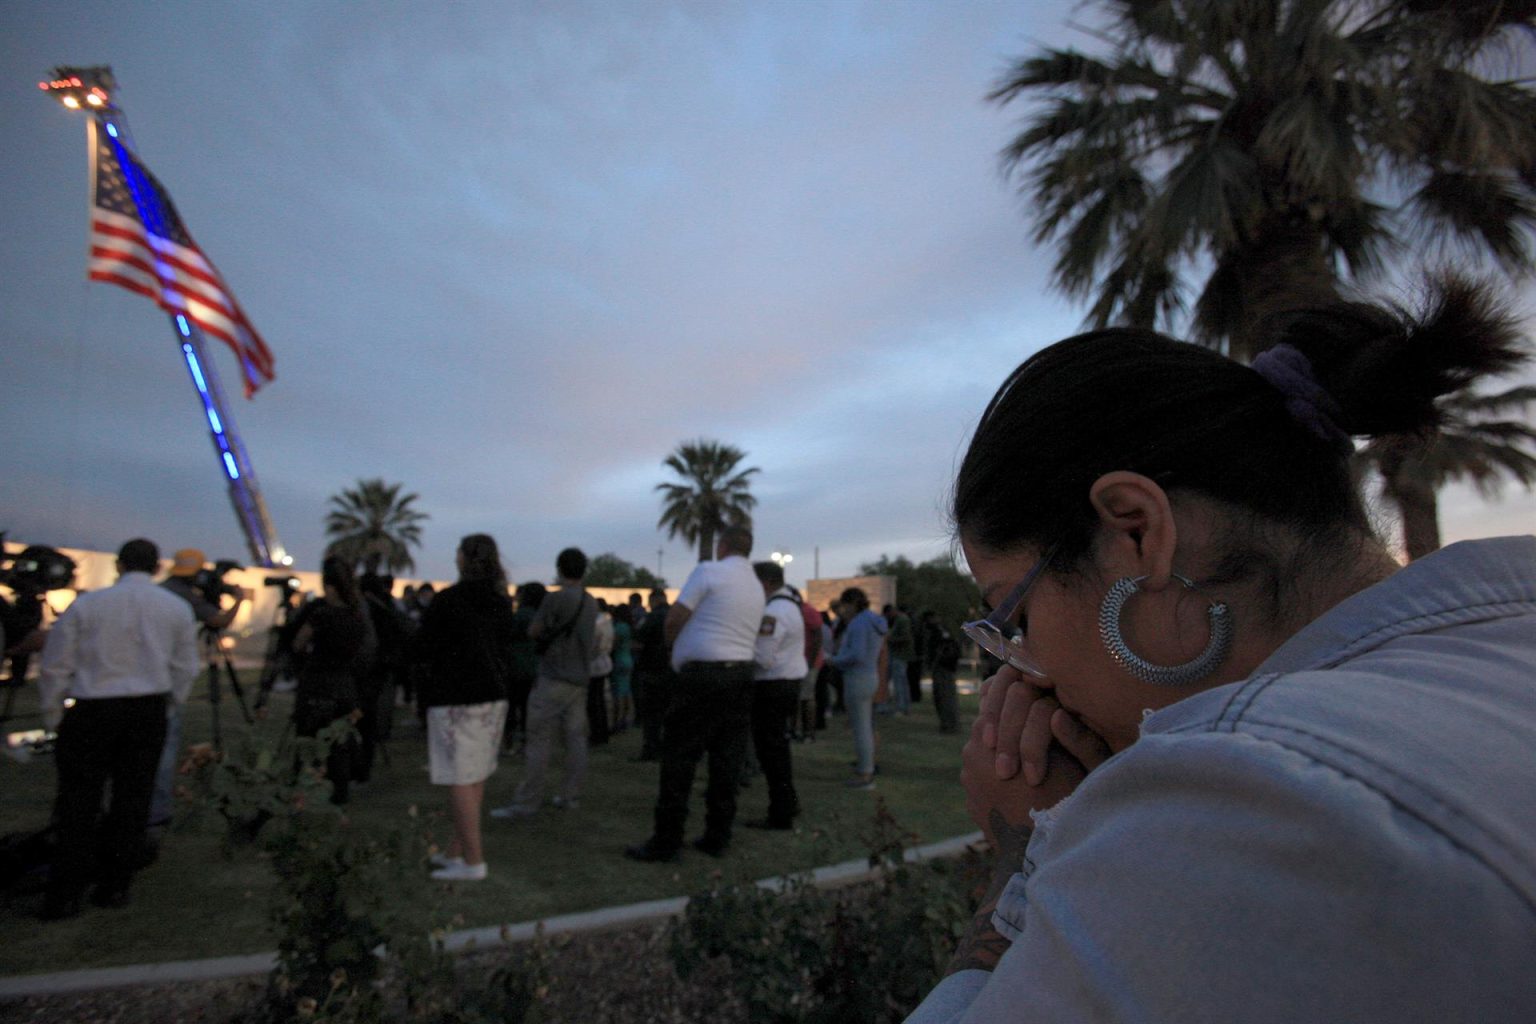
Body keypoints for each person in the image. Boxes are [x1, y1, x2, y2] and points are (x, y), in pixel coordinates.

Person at [907, 291, 1536, 1022]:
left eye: (1015, 614)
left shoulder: (1241, 801)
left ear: (1137, 534)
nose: (1024, 670)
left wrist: (1026, 856)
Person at [38, 539, 197, 918]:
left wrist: (53, 715)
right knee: (133, 799)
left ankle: (65, 892)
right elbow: (185, 666)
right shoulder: (175, 608)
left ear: (119, 565)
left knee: (78, 800)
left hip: (93, 709)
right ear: (157, 568)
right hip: (146, 710)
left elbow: (56, 663)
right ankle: (115, 885)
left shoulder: (89, 604)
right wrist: (170, 703)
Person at [626, 525, 765, 861]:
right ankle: (718, 834)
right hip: (741, 674)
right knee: (726, 758)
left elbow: (675, 617)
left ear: (723, 545)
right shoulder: (756, 585)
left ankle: (667, 839)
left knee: (679, 756)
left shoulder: (709, 571)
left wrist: (676, 646)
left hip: (702, 675)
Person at [417, 535, 514, 881]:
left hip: (457, 696)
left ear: (463, 558)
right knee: (475, 774)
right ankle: (457, 851)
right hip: (493, 694)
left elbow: (424, 645)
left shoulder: (449, 601)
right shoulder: (501, 603)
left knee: (459, 776)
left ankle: (473, 861)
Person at [150, 549, 251, 832]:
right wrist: (239, 600)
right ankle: (158, 811)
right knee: (164, 745)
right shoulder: (185, 597)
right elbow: (219, 622)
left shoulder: (164, 590)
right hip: (166, 681)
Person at [493, 548, 596, 819]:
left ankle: (527, 801)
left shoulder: (555, 599)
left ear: (560, 569)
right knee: (575, 739)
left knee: (539, 738)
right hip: (579, 678)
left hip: (553, 676)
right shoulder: (591, 602)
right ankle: (569, 794)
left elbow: (534, 631)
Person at [287, 557, 373, 805]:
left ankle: (303, 792)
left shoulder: (323, 615)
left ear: (331, 588)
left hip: (317, 683)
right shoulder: (357, 617)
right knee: (339, 744)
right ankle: (339, 795)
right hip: (344, 685)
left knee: (307, 742)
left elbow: (297, 643)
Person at [743, 560, 807, 830]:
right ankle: (787, 802)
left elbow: (763, 656)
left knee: (771, 752)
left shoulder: (774, 612)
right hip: (787, 682)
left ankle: (780, 811)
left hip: (772, 685)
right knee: (778, 748)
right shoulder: (790, 606)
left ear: (766, 583)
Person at [827, 588, 888, 789]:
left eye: (844, 605)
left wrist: (833, 660)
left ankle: (865, 773)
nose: (842, 611)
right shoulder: (873, 620)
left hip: (858, 677)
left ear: (851, 604)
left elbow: (857, 655)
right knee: (866, 726)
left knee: (861, 728)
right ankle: (867, 767)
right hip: (869, 675)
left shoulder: (859, 623)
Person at [631, 587, 672, 761]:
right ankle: (666, 747)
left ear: (653, 600)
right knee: (667, 713)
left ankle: (651, 749)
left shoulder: (652, 617)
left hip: (651, 669)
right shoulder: (674, 614)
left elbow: (638, 642)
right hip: (671, 669)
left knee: (651, 714)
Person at [505, 581, 546, 751]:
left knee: (512, 706)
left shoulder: (521, 615)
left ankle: (509, 743)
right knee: (528, 708)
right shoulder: (541, 615)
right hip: (535, 667)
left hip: (516, 665)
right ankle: (526, 742)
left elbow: (509, 636)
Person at [921, 610, 961, 734]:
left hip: (943, 667)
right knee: (943, 696)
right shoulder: (941, 631)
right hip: (943, 667)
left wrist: (934, 662)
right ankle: (948, 723)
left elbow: (943, 650)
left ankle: (949, 724)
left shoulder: (939, 632)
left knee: (945, 696)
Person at [587, 598, 614, 746]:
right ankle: (602, 732)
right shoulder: (607, 621)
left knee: (593, 701)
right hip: (604, 661)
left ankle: (597, 734)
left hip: (595, 663)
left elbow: (594, 644)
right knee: (600, 700)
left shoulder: (597, 622)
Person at [881, 604, 914, 714]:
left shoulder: (902, 620)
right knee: (901, 682)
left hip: (899, 655)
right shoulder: (899, 620)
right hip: (898, 655)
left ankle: (901, 706)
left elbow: (905, 637)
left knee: (899, 682)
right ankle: (904, 705)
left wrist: (890, 639)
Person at [609, 604, 635, 733]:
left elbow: (613, 645)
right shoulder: (630, 627)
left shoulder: (619, 627)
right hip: (628, 659)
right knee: (626, 692)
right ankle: (624, 719)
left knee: (616, 693)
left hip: (618, 661)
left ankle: (616, 722)